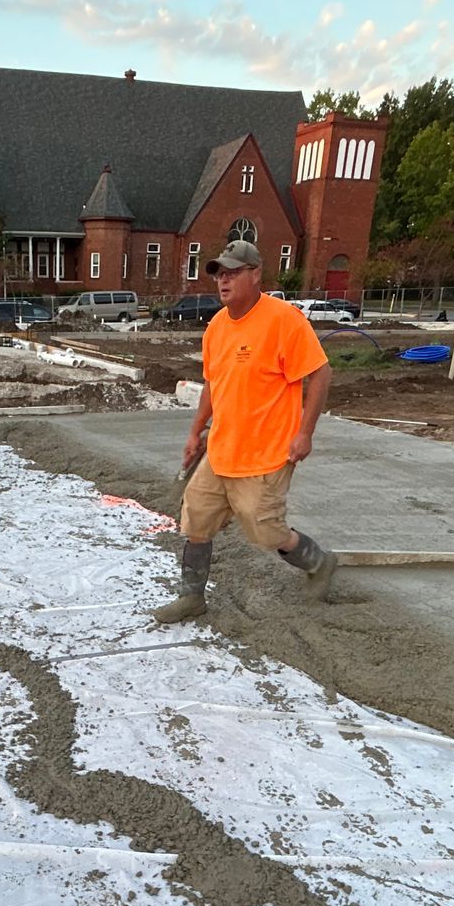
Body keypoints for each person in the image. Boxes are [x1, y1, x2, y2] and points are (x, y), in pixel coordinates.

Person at [152, 240, 335, 624]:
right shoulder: (217, 327)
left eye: (234, 272)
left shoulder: (283, 320)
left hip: (267, 453)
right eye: (220, 273)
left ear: (256, 275)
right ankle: (192, 597)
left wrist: (306, 433)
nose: (223, 280)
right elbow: (213, 387)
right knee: (196, 519)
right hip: (221, 450)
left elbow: (320, 372)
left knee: (266, 531)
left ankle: (319, 560)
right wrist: (195, 433)